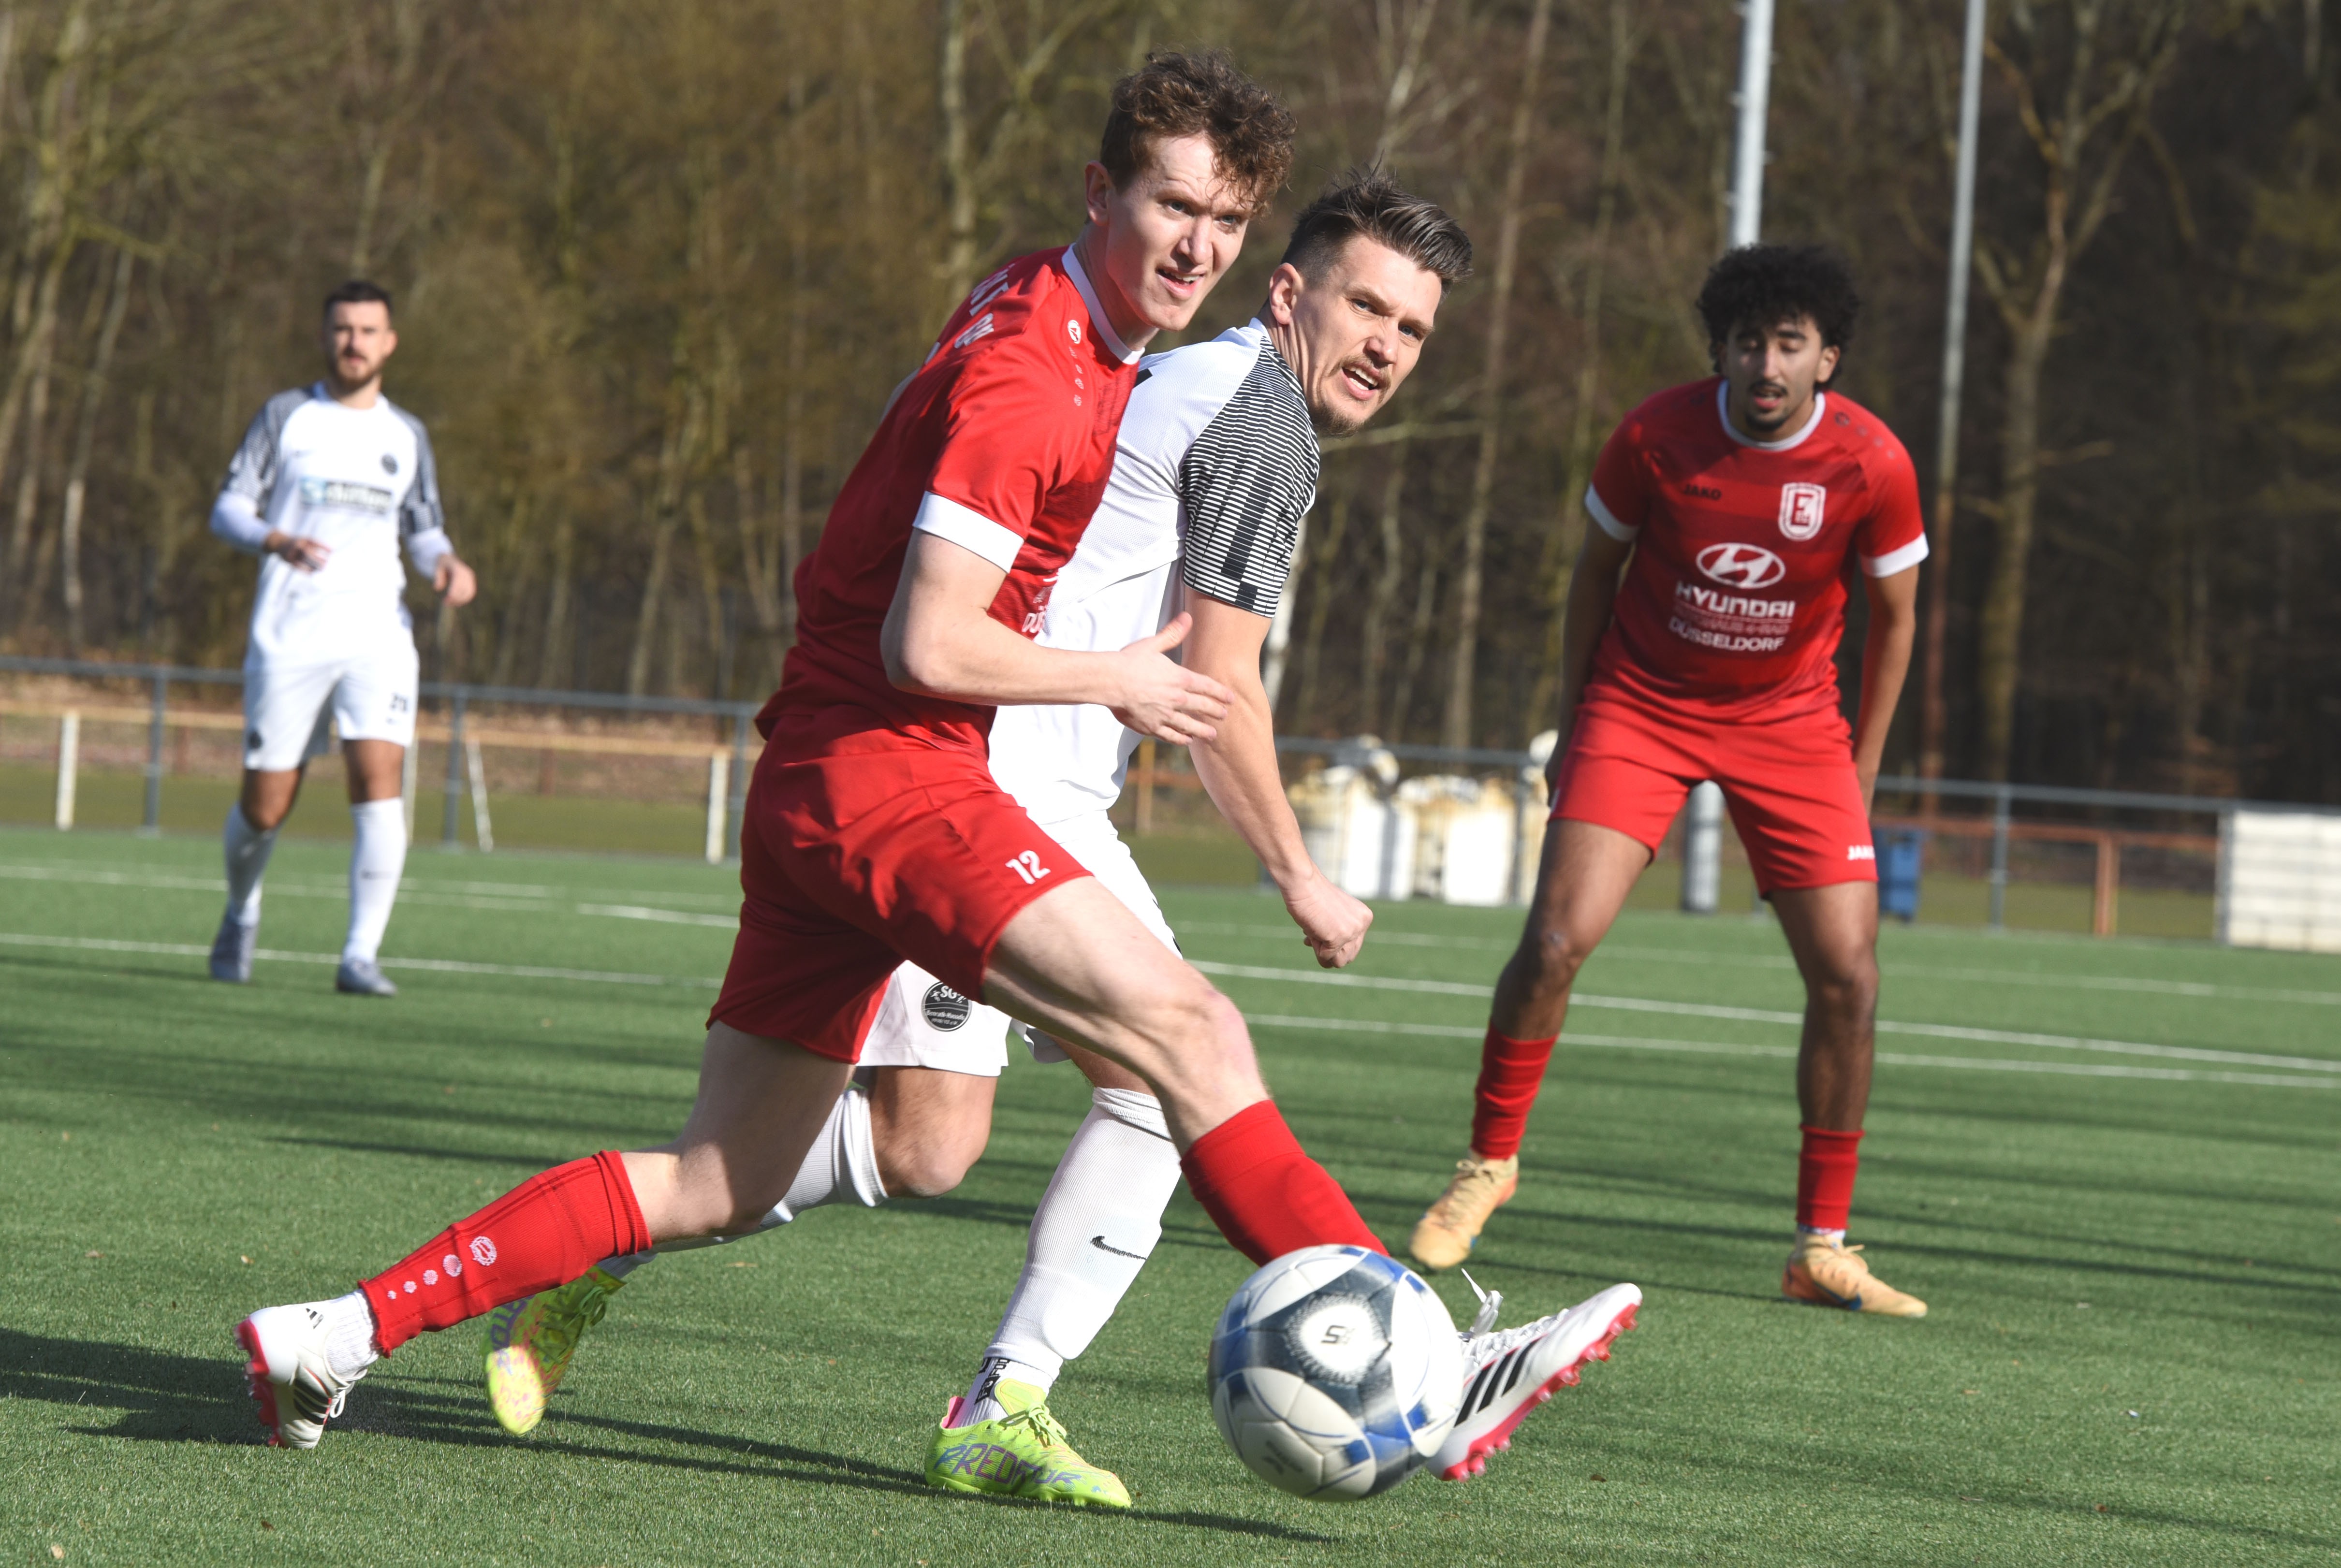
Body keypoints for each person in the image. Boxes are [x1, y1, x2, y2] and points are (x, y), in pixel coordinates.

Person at [235, 51, 1410, 1459]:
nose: (1198, 247)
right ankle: (1409, 1350)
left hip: (815, 774)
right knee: (1190, 1036)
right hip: (895, 772)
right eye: (1173, 207)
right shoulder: (1040, 377)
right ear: (1103, 192)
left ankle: (334, 1332)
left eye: (1225, 220)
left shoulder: (1047, 306)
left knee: (728, 1176)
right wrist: (1118, 676)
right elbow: (932, 642)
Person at [477, 171, 1640, 1502]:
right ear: (1289, 290)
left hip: (1019, 774)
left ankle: (621, 1249)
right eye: (1365, 304)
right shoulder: (1259, 422)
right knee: (1163, 1064)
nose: (1385, 344)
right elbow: (1223, 690)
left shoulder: (1203, 382)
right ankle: (1339, 1365)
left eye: (1414, 329)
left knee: (930, 1145)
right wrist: (1300, 874)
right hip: (983, 785)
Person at [1408, 244, 1930, 1319]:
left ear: (1827, 355)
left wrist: (1863, 765)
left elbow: (1899, 616)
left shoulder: (1873, 462)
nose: (1768, 363)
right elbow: (1592, 575)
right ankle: (1489, 1161)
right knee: (1555, 940)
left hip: (1791, 726)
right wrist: (1576, 712)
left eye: (1791, 343)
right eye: (1749, 342)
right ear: (1721, 350)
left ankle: (1821, 1242)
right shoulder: (1654, 436)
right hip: (1640, 703)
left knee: (1851, 975)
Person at [205, 279, 476, 999]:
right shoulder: (287, 417)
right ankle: (241, 910)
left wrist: (445, 565)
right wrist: (272, 537)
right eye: (342, 329)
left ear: (389, 342)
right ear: (325, 337)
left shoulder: (405, 435)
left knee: (378, 778)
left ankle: (360, 955)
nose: (354, 342)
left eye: (367, 330)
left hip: (376, 632)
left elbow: (424, 532)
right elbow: (228, 506)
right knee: (265, 805)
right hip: (290, 630)